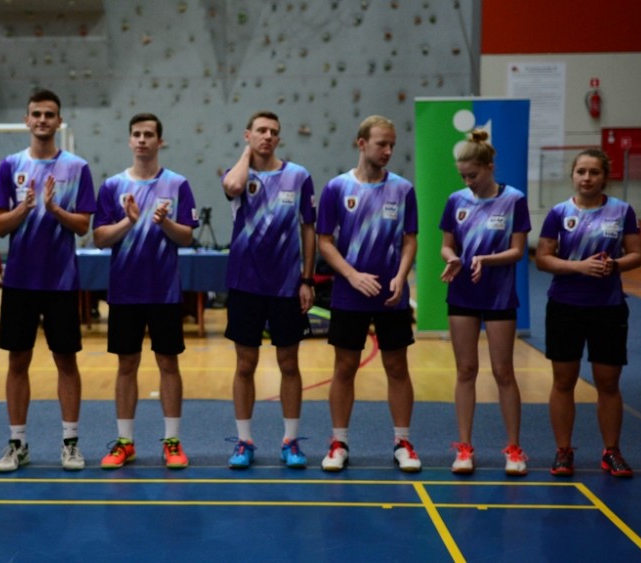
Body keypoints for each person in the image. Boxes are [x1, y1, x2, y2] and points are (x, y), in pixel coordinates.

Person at [0, 89, 95, 472]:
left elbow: (83, 226)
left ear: (59, 121)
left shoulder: (77, 168)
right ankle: (17, 443)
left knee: (66, 361)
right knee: (17, 360)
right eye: (36, 114)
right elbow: (0, 227)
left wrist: (54, 209)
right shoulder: (9, 166)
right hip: (19, 281)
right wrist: (25, 207)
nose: (42, 120)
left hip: (61, 282)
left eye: (49, 114)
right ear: (26, 120)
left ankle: (70, 444)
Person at [93, 113, 199, 469]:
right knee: (127, 365)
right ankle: (125, 442)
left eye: (149, 134)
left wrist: (164, 221)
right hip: (125, 291)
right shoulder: (112, 186)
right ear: (129, 140)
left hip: (164, 291)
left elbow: (187, 236)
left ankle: (172, 441)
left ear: (159, 141)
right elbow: (99, 238)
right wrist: (129, 221)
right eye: (136, 134)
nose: (142, 140)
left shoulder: (178, 184)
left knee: (168, 363)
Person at [315, 115, 421, 473]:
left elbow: (410, 240)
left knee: (397, 367)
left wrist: (402, 277)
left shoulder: (403, 189)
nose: (388, 151)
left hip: (392, 294)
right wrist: (352, 276)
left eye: (392, 144)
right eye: (381, 144)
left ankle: (403, 441)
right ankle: (339, 442)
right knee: (344, 367)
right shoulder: (336, 188)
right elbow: (324, 242)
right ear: (361, 144)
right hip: (350, 293)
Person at [536, 148, 641, 478]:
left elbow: (636, 254)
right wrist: (578, 267)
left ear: (604, 177)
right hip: (564, 307)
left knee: (608, 383)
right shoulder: (558, 213)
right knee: (563, 381)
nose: (586, 177)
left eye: (594, 172)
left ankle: (611, 451)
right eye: (581, 171)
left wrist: (615, 265)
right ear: (572, 175)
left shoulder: (622, 211)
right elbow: (543, 258)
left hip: (608, 309)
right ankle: (563, 451)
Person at [221, 110, 316, 469]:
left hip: (286, 286)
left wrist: (307, 279)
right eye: (260, 131)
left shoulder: (298, 176)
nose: (268, 136)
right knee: (245, 365)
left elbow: (308, 228)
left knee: (289, 364)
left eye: (274, 132)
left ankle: (290, 441)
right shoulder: (238, 173)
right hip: (245, 284)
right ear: (247, 135)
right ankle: (244, 441)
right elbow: (232, 187)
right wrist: (248, 155)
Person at [439, 129, 531, 476]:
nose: (468, 182)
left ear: (490, 167)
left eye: (473, 175)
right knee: (465, 371)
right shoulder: (455, 201)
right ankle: (464, 448)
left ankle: (514, 448)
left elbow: (518, 251)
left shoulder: (514, 200)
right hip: (462, 293)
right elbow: (447, 245)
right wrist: (454, 258)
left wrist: (485, 259)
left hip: (499, 295)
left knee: (503, 371)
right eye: (463, 176)